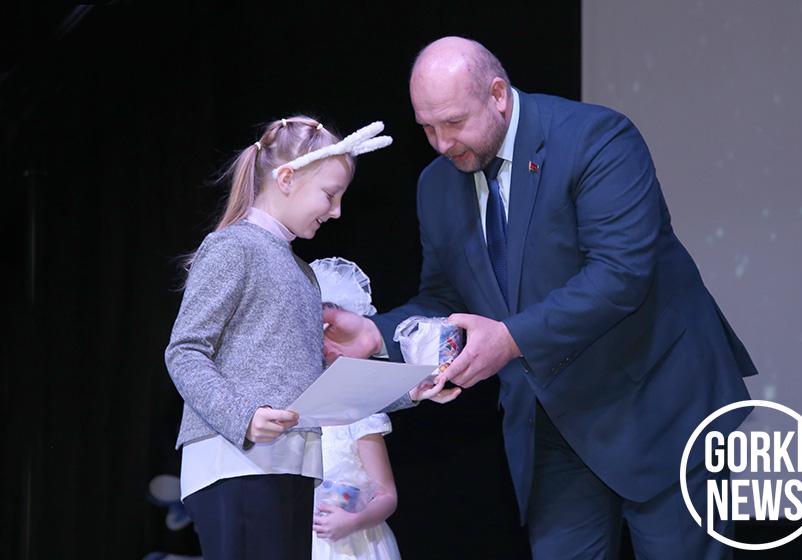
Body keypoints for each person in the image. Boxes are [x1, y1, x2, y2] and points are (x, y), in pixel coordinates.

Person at [322, 37, 758, 559]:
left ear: (497, 95)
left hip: (660, 406)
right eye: (427, 127)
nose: (441, 143)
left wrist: (509, 340)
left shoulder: (596, 138)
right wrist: (378, 334)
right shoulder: (436, 186)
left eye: (454, 122)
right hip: (549, 423)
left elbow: (620, 274)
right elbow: (443, 297)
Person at [164, 116, 453, 560]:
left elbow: (319, 388)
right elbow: (184, 352)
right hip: (234, 462)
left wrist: (408, 391)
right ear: (286, 179)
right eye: (329, 194)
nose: (336, 211)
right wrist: (243, 417)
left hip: (295, 466)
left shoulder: (303, 274)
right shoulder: (233, 246)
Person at [311, 414, 402, 559]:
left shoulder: (360, 418)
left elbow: (387, 495)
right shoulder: (294, 417)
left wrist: (355, 521)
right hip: (300, 538)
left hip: (356, 541)